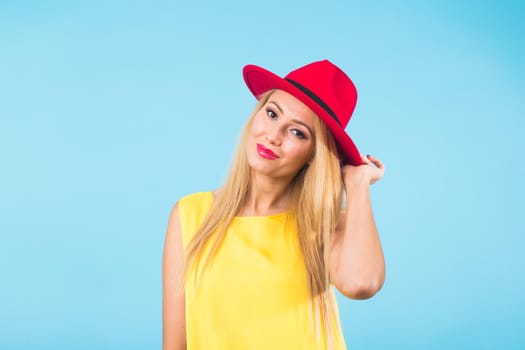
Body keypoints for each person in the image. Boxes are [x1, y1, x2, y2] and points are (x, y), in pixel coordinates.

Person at [162, 60, 386, 350]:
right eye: (272, 114)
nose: (273, 136)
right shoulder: (190, 215)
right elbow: (175, 344)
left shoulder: (327, 223)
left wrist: (357, 184)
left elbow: (361, 284)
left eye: (297, 132)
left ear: (313, 155)